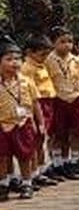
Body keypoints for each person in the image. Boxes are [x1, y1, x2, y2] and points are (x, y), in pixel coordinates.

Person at [0, 42, 43, 199]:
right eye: (9, 59)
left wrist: (41, 123)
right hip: (3, 125)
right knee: (2, 157)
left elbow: (36, 103)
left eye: (18, 59)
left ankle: (27, 183)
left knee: (25, 156)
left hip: (23, 123)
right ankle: (3, 184)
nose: (15, 62)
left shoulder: (26, 81)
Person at [45, 27, 79, 178]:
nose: (67, 45)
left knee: (76, 131)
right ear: (53, 43)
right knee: (58, 134)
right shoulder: (48, 60)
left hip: (75, 99)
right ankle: (58, 163)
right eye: (62, 42)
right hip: (57, 100)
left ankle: (73, 161)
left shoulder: (77, 60)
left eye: (70, 41)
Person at [21, 35, 57, 188]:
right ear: (29, 52)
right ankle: (33, 173)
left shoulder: (41, 65)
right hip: (37, 105)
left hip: (47, 104)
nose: (45, 58)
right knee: (34, 142)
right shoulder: (26, 69)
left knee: (41, 140)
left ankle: (41, 171)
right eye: (42, 54)